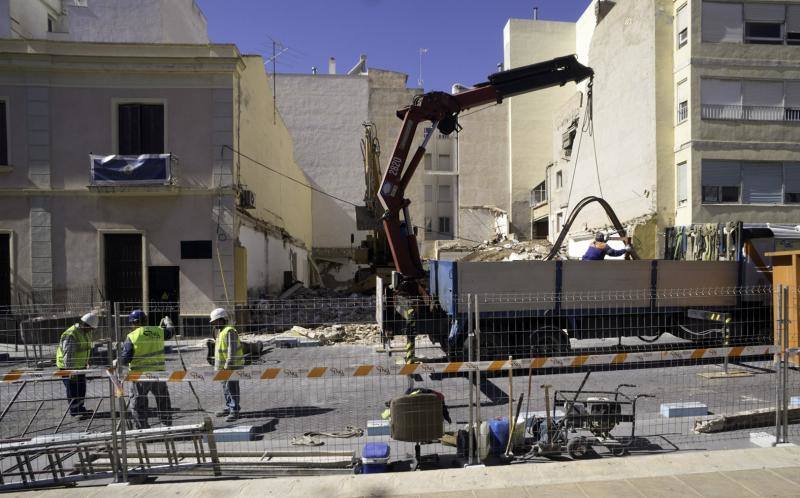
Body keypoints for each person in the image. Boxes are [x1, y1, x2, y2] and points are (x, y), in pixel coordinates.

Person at [120, 309, 174, 429]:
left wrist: (117, 359)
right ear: (145, 320)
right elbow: (170, 333)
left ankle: (142, 428)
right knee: (163, 401)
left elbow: (125, 359)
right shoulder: (158, 331)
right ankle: (167, 426)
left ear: (133, 323)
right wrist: (168, 323)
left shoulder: (132, 336)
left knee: (139, 403)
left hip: (140, 376)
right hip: (159, 374)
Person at [55, 312, 98, 419]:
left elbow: (85, 348)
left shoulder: (85, 332)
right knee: (73, 389)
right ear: (85, 325)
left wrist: (87, 361)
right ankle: (74, 412)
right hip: (68, 367)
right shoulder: (71, 334)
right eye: (91, 328)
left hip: (80, 366)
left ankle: (80, 409)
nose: (92, 331)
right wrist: (70, 371)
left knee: (81, 388)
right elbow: (67, 355)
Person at [210, 308, 244, 422]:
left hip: (231, 366)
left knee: (232, 387)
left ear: (222, 320)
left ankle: (234, 410)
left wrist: (229, 363)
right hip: (222, 367)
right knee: (226, 388)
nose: (214, 324)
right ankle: (230, 406)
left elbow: (231, 349)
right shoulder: (221, 331)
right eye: (213, 322)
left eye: (215, 322)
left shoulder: (229, 331)